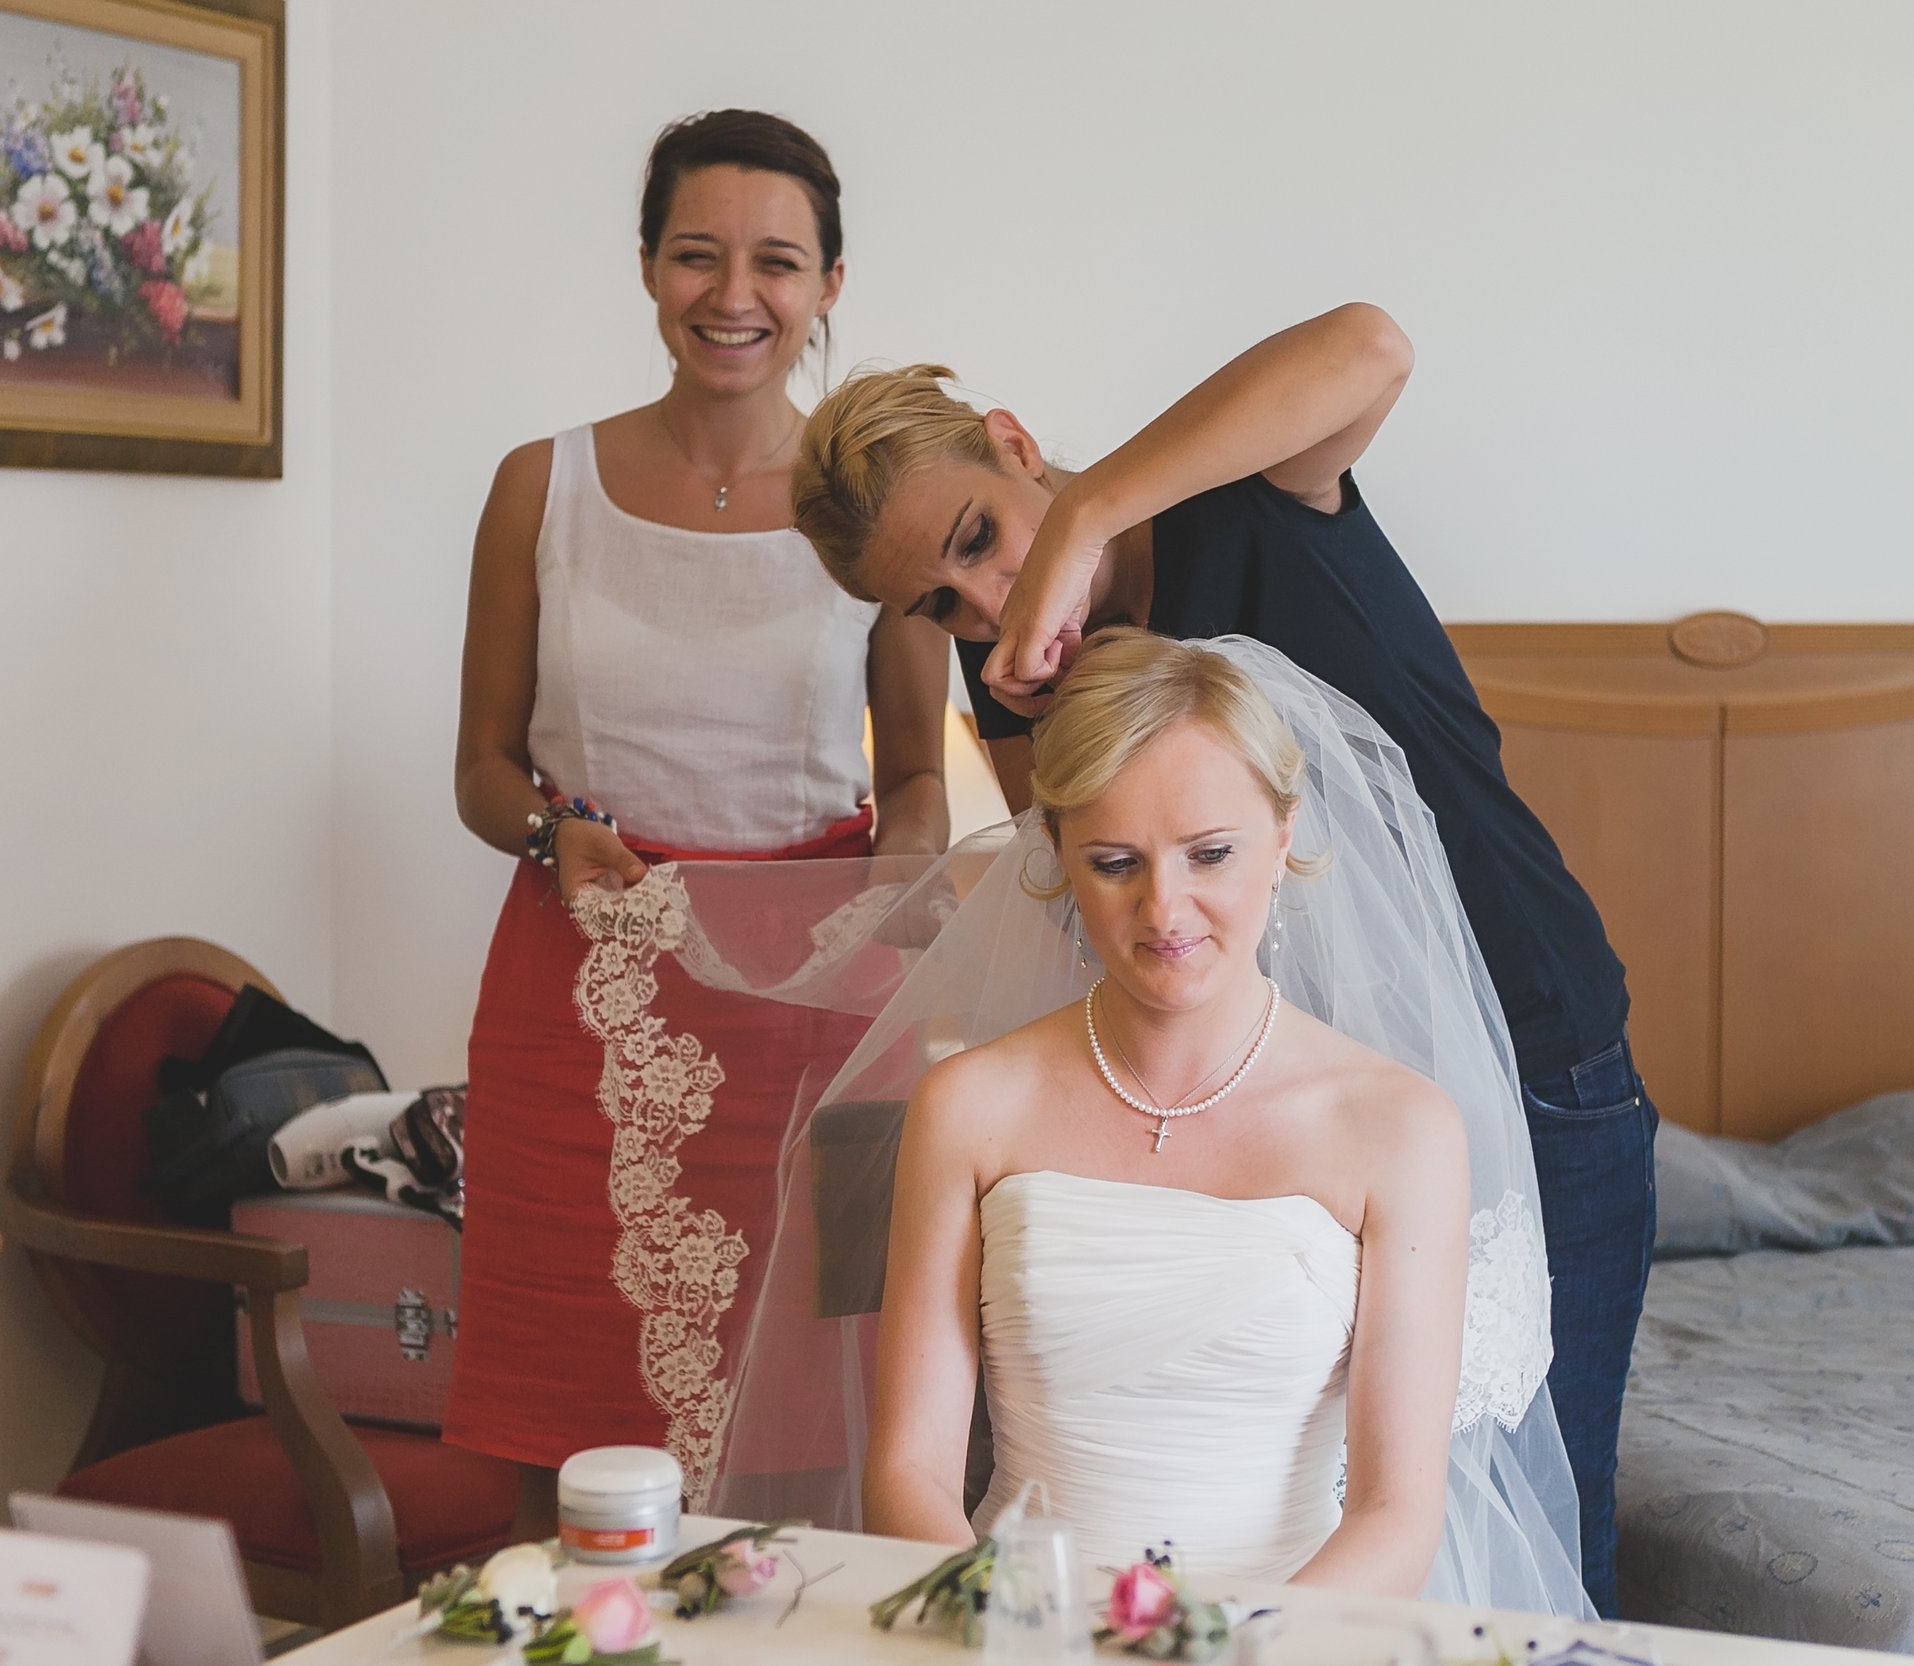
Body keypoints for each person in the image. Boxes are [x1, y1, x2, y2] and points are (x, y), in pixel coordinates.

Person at [789, 305, 1649, 1612]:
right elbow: (1101, 901)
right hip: (1267, 1121)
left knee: (1524, 1550)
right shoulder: (1006, 664)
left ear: (1016, 446)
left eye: (980, 539)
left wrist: (1082, 522)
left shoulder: (1249, 497)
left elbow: (1372, 344)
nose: (983, 607)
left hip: (1530, 1057)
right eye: (937, 603)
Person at [687, 629, 1585, 1611]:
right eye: (1115, 861)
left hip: (1293, 1637)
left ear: (1283, 837)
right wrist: (1026, 1628)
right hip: (1013, 1626)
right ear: (1059, 855)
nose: (1166, 909)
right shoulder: (972, 1105)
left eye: (1209, 854)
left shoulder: (1400, 1127)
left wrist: (1221, 1647)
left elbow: (1395, 1514)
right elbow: (908, 1469)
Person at [443, 110, 950, 1521]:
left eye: (778, 262)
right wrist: (552, 834)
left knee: (815, 1403)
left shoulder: (878, 512)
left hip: (816, 1005)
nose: (735, 296)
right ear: (647, 268)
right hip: (581, 996)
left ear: (831, 285)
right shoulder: (540, 486)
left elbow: (916, 776)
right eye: (696, 255)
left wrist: (895, 876)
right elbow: (484, 767)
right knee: (563, 1406)